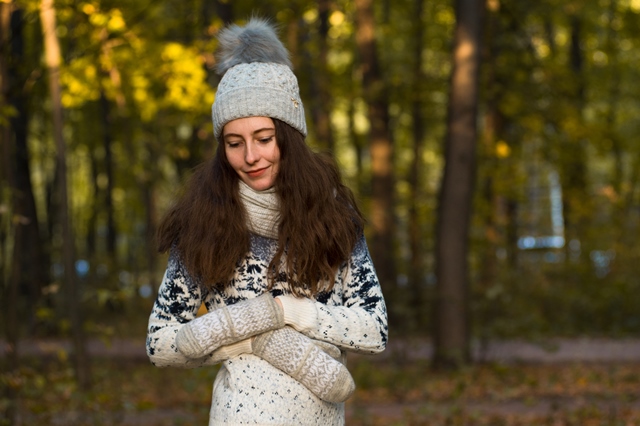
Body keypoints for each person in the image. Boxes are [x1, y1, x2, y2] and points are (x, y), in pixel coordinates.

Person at [146, 18, 388, 426]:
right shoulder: (203, 225)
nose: (250, 157)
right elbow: (161, 343)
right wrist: (248, 334)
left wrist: (289, 311)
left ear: (289, 137)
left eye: (263, 138)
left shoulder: (334, 221)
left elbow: (374, 331)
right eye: (234, 143)